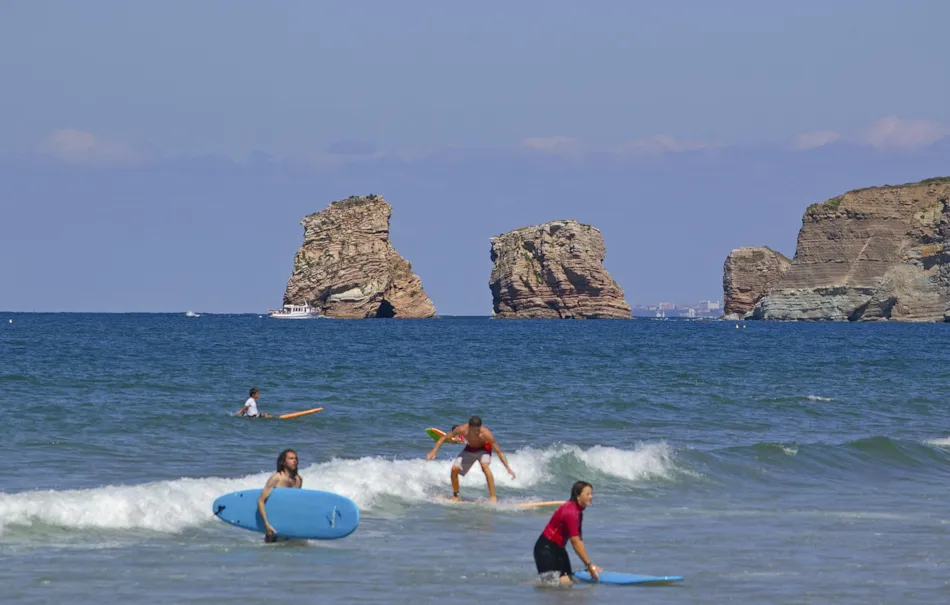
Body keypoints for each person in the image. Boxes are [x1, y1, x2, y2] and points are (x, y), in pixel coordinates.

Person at [426, 415, 515, 502]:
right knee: (454, 469)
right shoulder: (461, 429)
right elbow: (444, 438)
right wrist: (433, 451)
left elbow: (499, 451)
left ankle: (493, 497)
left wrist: (507, 468)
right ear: (469, 427)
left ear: (480, 427)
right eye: (474, 430)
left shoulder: (486, 434)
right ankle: (456, 496)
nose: (477, 433)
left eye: (478, 430)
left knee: (484, 466)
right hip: (470, 449)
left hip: (484, 449)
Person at [533, 480, 602, 586]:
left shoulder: (578, 512)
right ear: (578, 496)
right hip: (545, 549)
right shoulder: (571, 512)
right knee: (549, 587)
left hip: (558, 548)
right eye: (587, 494)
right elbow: (575, 543)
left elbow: (579, 540)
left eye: (591, 494)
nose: (591, 496)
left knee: (568, 581)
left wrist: (588, 565)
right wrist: (589, 565)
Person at [257, 448, 303, 542]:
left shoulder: (298, 480)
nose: (294, 461)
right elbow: (261, 501)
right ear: (284, 462)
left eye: (296, 458)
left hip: (289, 524)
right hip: (274, 524)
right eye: (291, 458)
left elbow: (295, 503)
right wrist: (266, 524)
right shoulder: (276, 478)